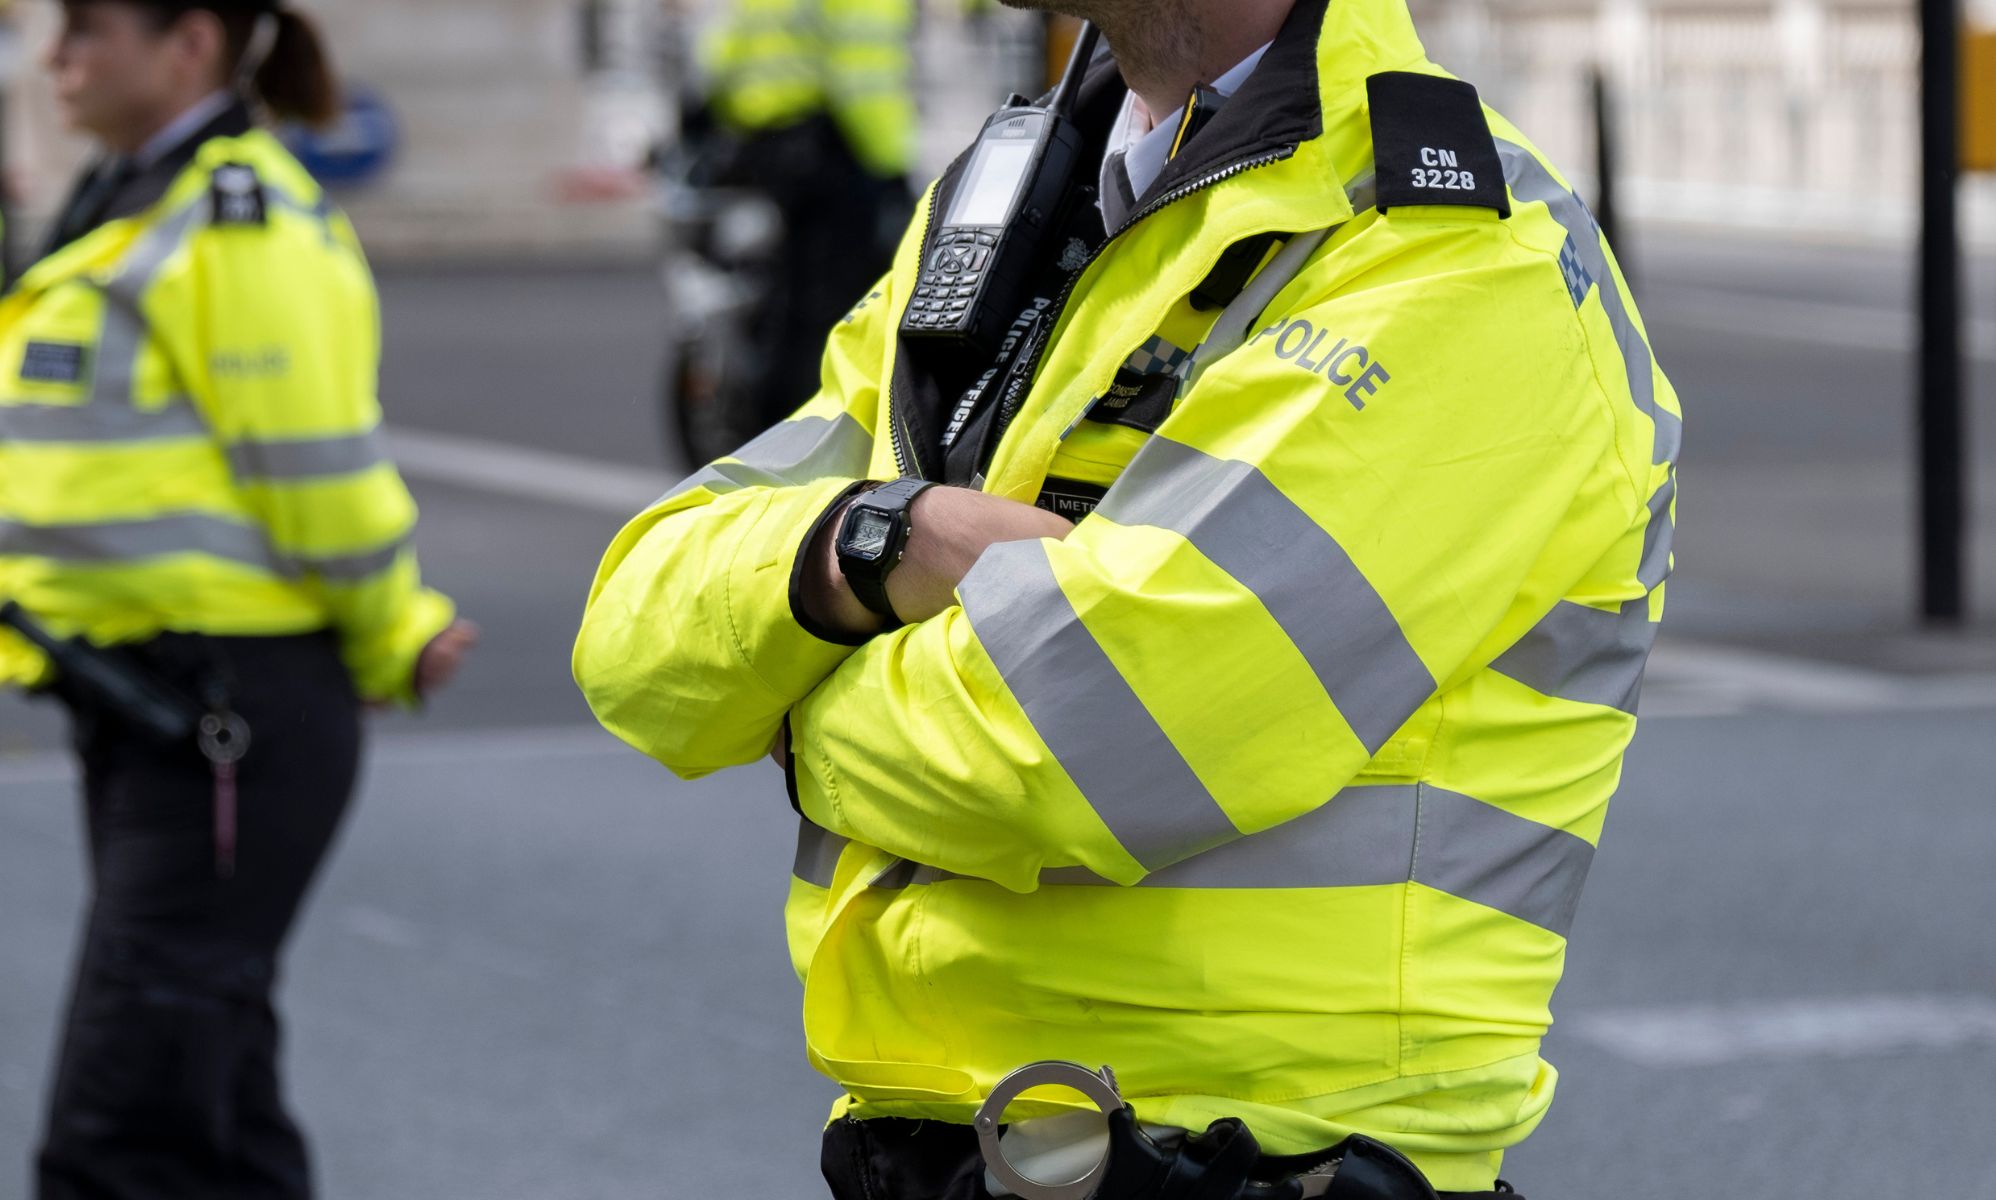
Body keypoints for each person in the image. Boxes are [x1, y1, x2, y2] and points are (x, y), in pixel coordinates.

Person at [576, 0, 1680, 1194]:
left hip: (1262, 1158)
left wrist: (793, 708)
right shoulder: (1015, 199)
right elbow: (637, 639)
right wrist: (872, 543)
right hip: (952, 1144)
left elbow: (1074, 738)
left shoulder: (1457, 253)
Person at [0, 2, 475, 1196]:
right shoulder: (135, 195)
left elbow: (321, 475)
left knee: (122, 1124)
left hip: (230, 709)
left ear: (192, 42)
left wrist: (396, 635)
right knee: (205, 1101)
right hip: (151, 694)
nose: (53, 57)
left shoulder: (234, 222)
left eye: (86, 30)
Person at [696, 0, 916, 438]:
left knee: (787, 292)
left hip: (763, 146)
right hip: (832, 150)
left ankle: (769, 415)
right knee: (847, 298)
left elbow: (720, 54)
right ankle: (821, 426)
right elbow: (863, 80)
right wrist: (894, 167)